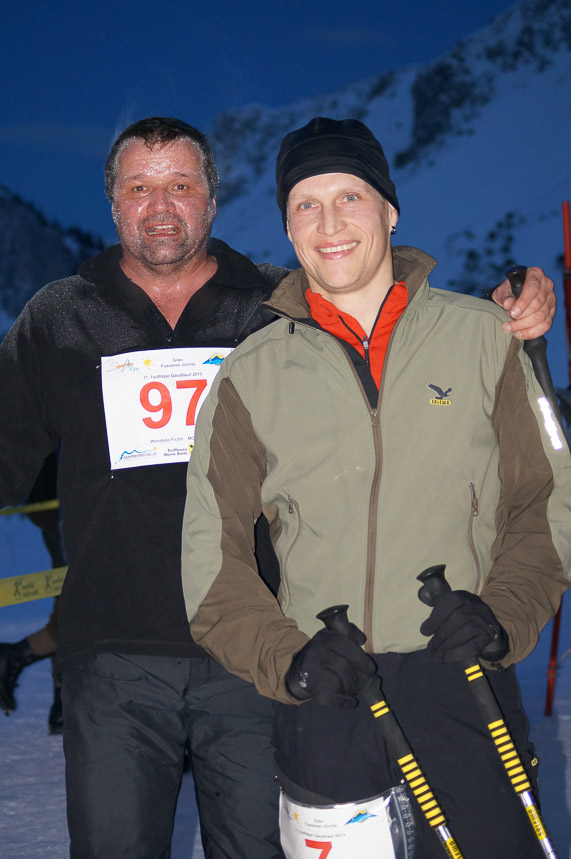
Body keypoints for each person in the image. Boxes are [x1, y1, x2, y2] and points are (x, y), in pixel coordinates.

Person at [0, 115, 557, 859]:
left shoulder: (269, 306)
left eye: (180, 185)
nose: (160, 206)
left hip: (265, 664)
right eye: (138, 188)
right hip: (121, 654)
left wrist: (519, 308)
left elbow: (404, 358)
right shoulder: (61, 317)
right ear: (112, 202)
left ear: (212, 199)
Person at [181, 117, 571, 859]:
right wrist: (288, 660)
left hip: (465, 680)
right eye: (306, 204)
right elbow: (210, 558)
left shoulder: (483, 338)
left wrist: (501, 617)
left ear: (389, 211)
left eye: (350, 197)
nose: (329, 224)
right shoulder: (249, 374)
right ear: (288, 228)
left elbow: (545, 502)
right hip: (325, 694)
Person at [0, 452, 65, 733]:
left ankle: (63, 700)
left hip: (62, 498)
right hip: (66, 500)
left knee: (74, 602)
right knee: (82, 603)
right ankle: (64, 699)